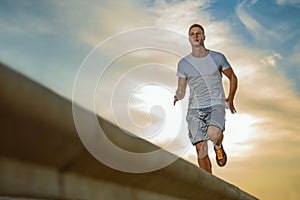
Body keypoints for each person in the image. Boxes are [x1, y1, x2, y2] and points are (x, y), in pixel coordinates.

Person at [173, 24, 238, 174]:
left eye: (198, 33)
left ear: (204, 37)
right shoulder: (184, 63)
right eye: (192, 34)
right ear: (189, 39)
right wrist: (178, 95)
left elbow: (232, 77)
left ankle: (218, 146)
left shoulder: (217, 57)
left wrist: (230, 98)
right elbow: (182, 88)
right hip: (195, 109)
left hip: (215, 104)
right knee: (200, 149)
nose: (195, 36)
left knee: (214, 134)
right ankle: (209, 184)